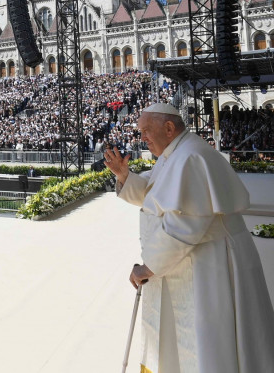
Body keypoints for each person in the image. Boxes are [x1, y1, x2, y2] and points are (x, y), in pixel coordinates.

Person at [104, 102, 274, 372]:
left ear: (169, 128)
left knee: (207, 346)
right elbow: (155, 193)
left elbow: (184, 222)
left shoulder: (191, 156)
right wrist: (125, 176)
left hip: (210, 266)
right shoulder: (176, 153)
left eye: (146, 131)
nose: (142, 137)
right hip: (193, 262)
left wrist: (149, 267)